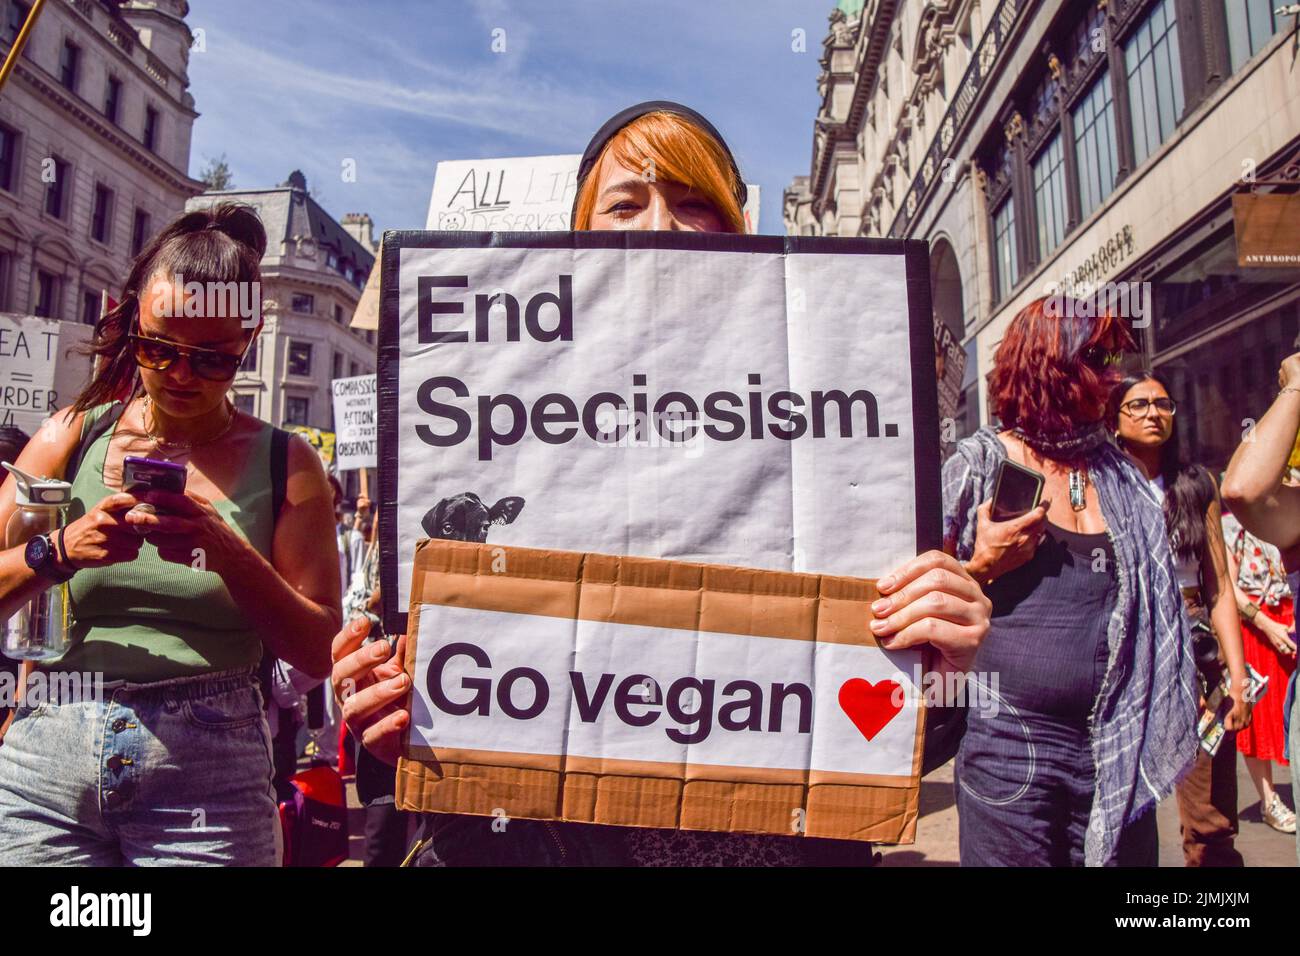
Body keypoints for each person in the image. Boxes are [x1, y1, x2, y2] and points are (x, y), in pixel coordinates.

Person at [332, 100, 991, 866]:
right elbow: (417, 719)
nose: (662, 224)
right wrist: (380, 708)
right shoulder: (489, 416)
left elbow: (886, 736)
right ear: (577, 233)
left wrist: (941, 664)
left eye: (693, 203)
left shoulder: (826, 411)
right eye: (626, 202)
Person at [0, 202, 340, 865]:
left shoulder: (287, 461)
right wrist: (61, 551)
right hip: (50, 757)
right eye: (158, 348)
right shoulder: (74, 433)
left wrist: (225, 547)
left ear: (250, 338)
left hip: (208, 768)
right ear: (133, 325)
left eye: (212, 360)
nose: (180, 375)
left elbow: (319, 648)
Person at [943, 298, 1199, 867]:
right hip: (1008, 750)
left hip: (1116, 747)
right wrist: (982, 565)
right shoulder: (979, 465)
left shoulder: (1119, 473)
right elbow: (909, 597)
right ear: (1052, 366)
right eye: (1099, 359)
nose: (1114, 373)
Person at [1110, 371, 1250, 866]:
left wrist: (1238, 679)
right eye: (1139, 405)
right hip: (1126, 653)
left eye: (1163, 404)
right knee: (1120, 816)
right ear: (1114, 418)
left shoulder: (1196, 485)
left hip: (1196, 648)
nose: (1153, 413)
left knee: (1210, 821)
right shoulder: (1100, 487)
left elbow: (1220, 588)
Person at [1222, 350, 1300, 864]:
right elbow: (1243, 490)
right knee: (1259, 726)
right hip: (1260, 627)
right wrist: (1296, 386)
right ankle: (1269, 798)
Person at [1221, 505, 1296, 832]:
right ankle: (1268, 801)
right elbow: (1227, 588)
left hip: (1290, 620)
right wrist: (1266, 625)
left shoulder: (1290, 512)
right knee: (1259, 716)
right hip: (1257, 630)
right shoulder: (1230, 525)